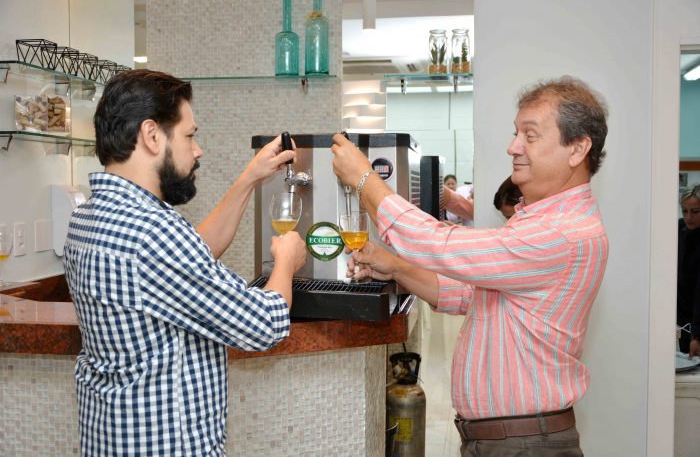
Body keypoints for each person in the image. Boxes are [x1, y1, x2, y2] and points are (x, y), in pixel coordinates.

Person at [331, 75, 609, 456]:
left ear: (577, 148)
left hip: (523, 446)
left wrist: (364, 178)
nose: (513, 147)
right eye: (516, 133)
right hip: (506, 441)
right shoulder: (542, 221)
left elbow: (439, 245)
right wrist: (395, 267)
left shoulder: (560, 233)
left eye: (529, 135)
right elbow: (468, 295)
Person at [62, 69, 307, 455]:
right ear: (152, 135)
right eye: (189, 135)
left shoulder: (87, 218)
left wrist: (249, 178)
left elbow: (186, 263)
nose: (197, 150)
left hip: (112, 440)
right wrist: (286, 261)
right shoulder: (153, 232)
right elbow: (265, 324)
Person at [678, 183, 700, 357]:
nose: (688, 217)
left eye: (695, 212)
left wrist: (697, 334)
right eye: (684, 211)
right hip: (682, 316)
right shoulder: (678, 229)